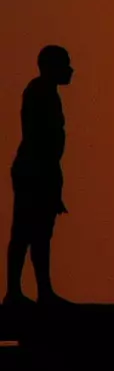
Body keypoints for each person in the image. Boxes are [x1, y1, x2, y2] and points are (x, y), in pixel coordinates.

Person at [6, 46, 73, 305]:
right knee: (26, 231)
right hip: (35, 170)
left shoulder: (47, 93)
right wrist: (47, 178)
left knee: (40, 233)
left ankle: (42, 290)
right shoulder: (38, 92)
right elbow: (38, 139)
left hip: (41, 169)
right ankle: (16, 292)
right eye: (64, 64)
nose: (70, 70)